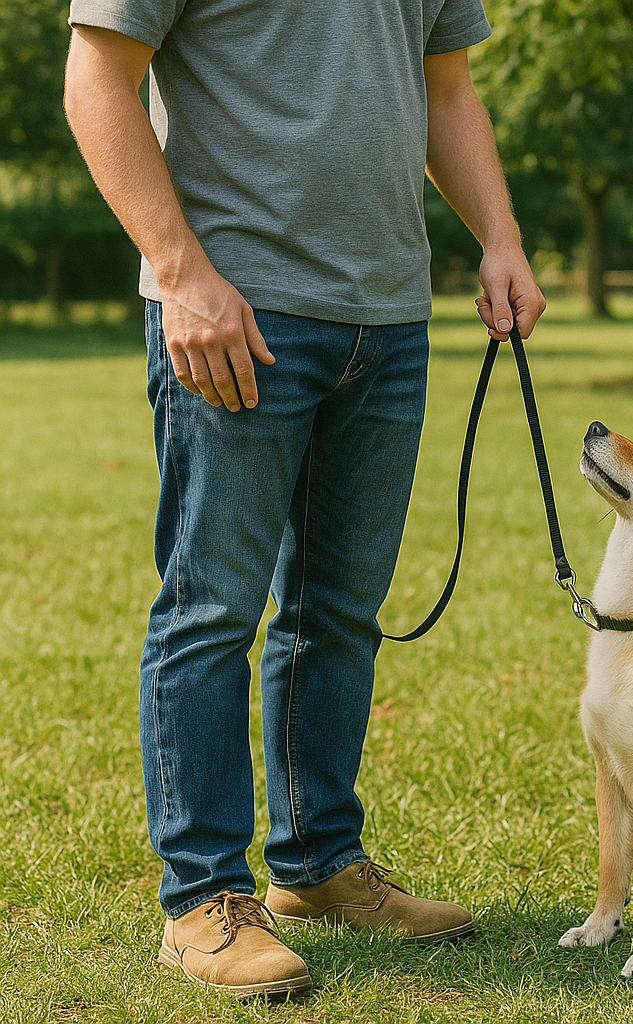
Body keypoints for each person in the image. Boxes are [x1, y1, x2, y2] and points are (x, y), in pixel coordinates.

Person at [64, 0, 545, 998]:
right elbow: (96, 77)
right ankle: (202, 898)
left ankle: (319, 865)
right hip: (233, 312)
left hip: (386, 322)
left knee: (337, 614)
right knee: (212, 611)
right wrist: (182, 270)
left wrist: (498, 235)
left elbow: (443, 88)